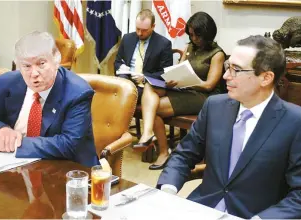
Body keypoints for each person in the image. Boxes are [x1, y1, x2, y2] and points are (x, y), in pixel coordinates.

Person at [157, 35, 301, 219]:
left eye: (236, 70)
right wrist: (167, 190)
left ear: (266, 77)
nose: (225, 76)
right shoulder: (214, 107)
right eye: (227, 66)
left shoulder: (294, 122)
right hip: (203, 208)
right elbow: (184, 155)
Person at [0, 31, 99, 167]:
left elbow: (69, 144)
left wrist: (16, 142)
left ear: (56, 60)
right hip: (13, 167)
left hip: (67, 171)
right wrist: (0, 130)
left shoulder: (77, 92)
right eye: (27, 66)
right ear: (18, 65)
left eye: (41, 64)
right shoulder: (6, 83)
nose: (34, 74)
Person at [134, 12, 225, 170]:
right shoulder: (189, 47)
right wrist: (171, 80)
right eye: (191, 35)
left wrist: (187, 84)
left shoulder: (217, 54)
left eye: (197, 35)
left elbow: (209, 85)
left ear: (207, 34)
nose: (194, 39)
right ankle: (149, 133)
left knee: (151, 109)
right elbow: (179, 70)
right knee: (149, 86)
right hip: (183, 89)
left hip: (203, 96)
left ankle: (163, 152)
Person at [114, 9, 173, 102]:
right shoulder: (127, 38)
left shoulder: (164, 44)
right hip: (126, 80)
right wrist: (121, 67)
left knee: (125, 95)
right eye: (137, 29)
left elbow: (165, 72)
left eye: (144, 30)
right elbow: (117, 61)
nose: (140, 33)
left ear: (153, 26)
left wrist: (144, 77)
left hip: (146, 86)